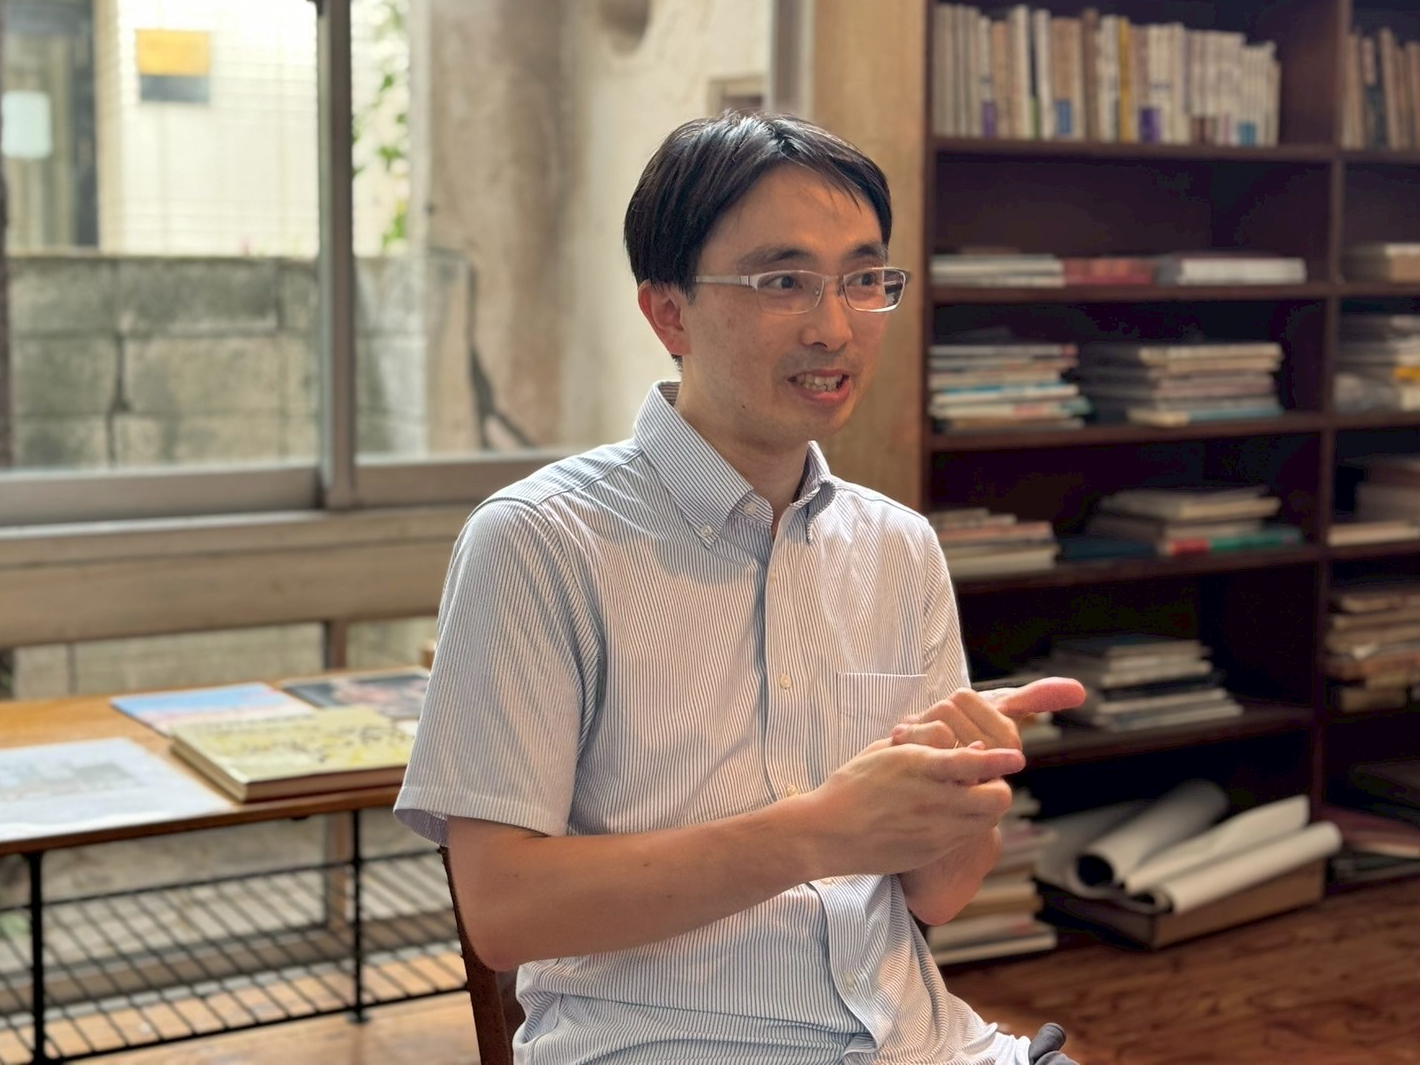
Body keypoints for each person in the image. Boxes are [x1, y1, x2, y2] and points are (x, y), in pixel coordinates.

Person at [395, 110, 1085, 1064]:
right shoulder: (537, 542)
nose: (833, 327)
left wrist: (966, 792)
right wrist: (819, 832)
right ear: (667, 313)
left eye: (862, 280)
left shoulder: (898, 546)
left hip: (926, 1044)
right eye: (782, 281)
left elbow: (937, 896)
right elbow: (504, 913)